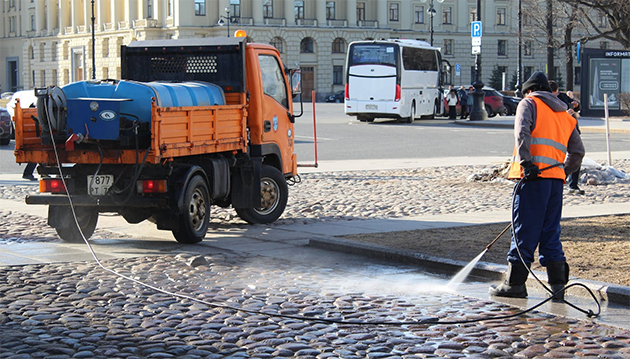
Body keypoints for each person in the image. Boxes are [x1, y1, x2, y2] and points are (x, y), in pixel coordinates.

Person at [489, 71, 585, 302]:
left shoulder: (529, 103)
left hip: (532, 179)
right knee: (550, 233)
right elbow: (578, 152)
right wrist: (563, 171)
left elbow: (522, 133)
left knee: (524, 231)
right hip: (555, 182)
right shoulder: (565, 115)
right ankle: (558, 287)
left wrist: (527, 163)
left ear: (529, 90)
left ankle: (514, 284)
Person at [549, 81, 585, 195]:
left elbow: (576, 106)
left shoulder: (562, 97)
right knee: (556, 157)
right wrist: (565, 115)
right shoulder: (547, 101)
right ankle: (556, 180)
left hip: (572, 129)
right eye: (556, 92)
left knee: (576, 154)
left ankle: (572, 184)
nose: (557, 94)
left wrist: (576, 105)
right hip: (558, 132)